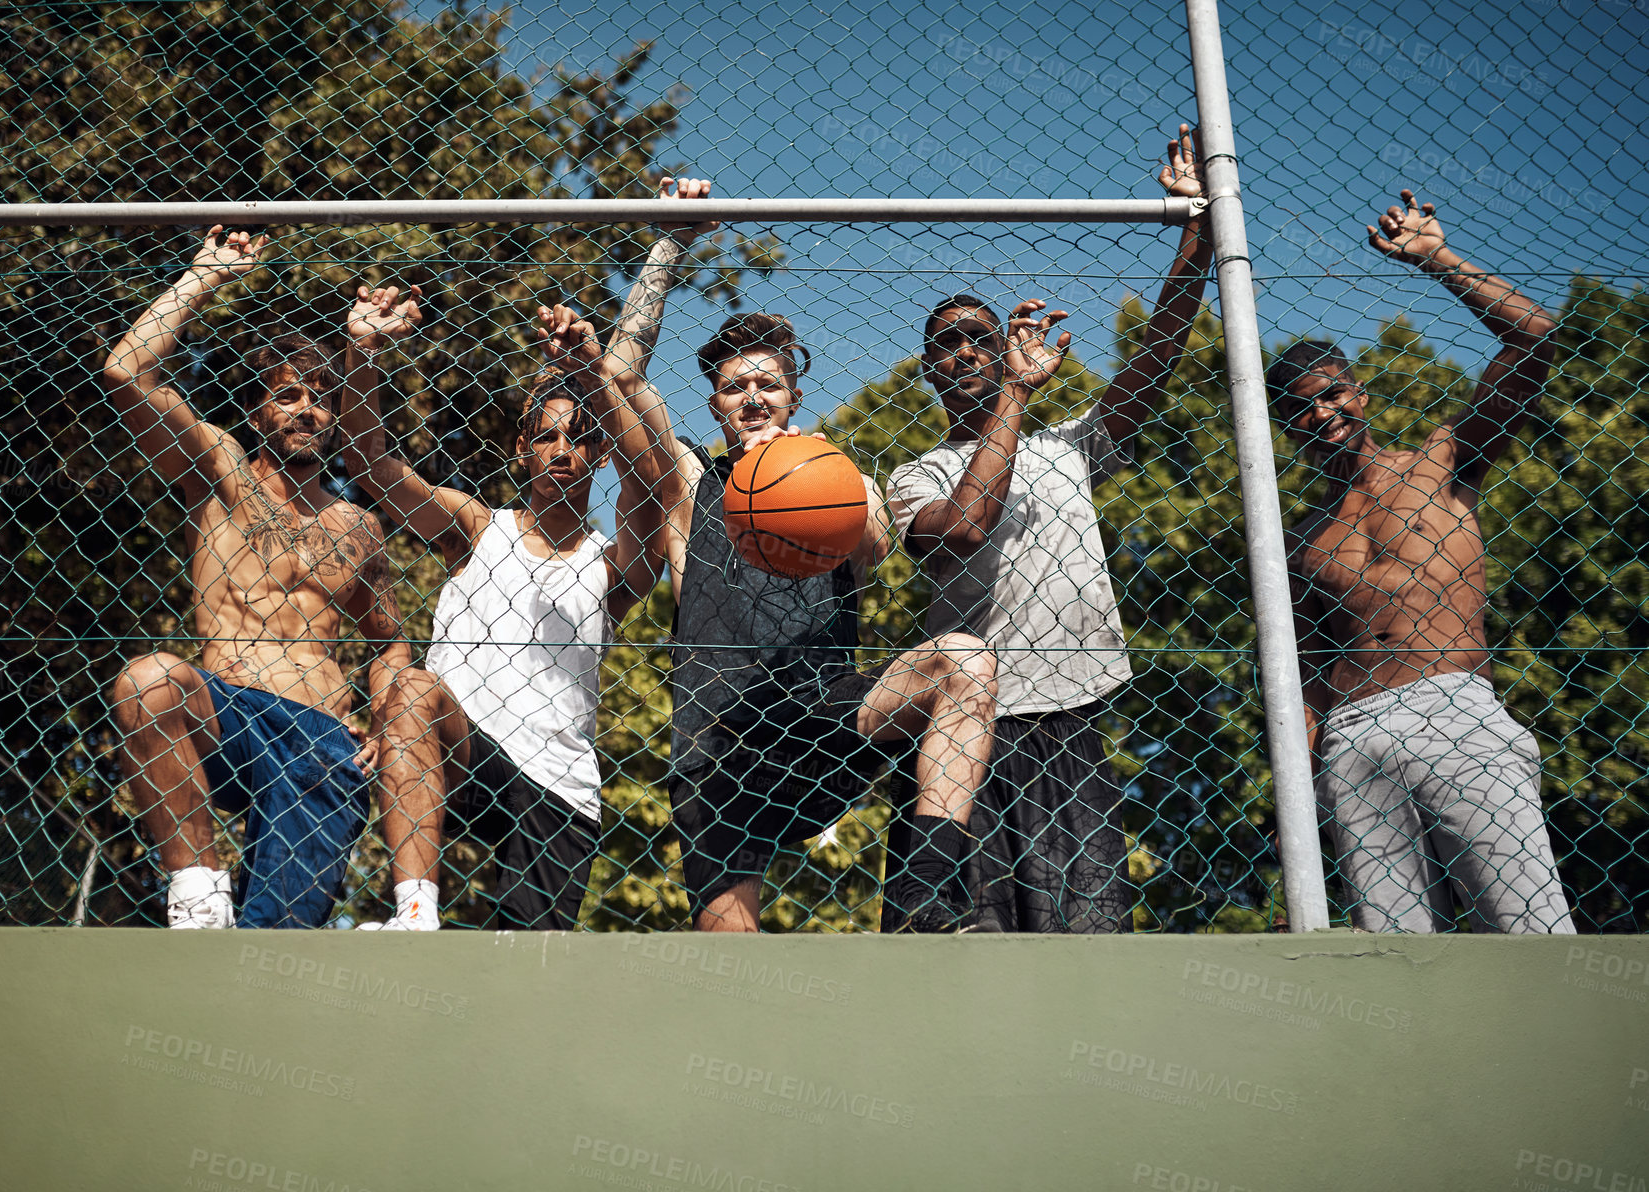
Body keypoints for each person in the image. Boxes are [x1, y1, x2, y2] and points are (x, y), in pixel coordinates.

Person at [337, 178, 710, 930]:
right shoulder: (477, 528)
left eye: (580, 438)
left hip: (555, 781)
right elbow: (372, 463)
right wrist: (363, 353)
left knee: (523, 973)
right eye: (546, 435)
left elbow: (657, 477)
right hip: (459, 748)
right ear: (521, 449)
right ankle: (415, 914)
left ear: (599, 454)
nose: (563, 450)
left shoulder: (612, 565)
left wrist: (593, 370)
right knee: (409, 689)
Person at [882, 124, 1214, 932]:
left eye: (979, 339)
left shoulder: (1070, 449)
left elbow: (1158, 356)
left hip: (1071, 719)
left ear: (1004, 352)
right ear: (929, 370)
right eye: (945, 344)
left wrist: (1196, 228)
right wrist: (1017, 398)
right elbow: (963, 529)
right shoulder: (912, 475)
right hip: (962, 735)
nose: (963, 351)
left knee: (1087, 936)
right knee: (968, 945)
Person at [655, 305, 1026, 933]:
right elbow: (623, 383)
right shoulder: (686, 480)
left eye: (768, 384)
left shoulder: (842, 481)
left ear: (794, 397)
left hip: (817, 718)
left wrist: (805, 479)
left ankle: (923, 904)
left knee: (963, 660)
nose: (752, 398)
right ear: (715, 405)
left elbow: (873, 545)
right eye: (734, 387)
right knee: (728, 967)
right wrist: (667, 250)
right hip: (716, 741)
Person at [1267, 188, 1574, 934]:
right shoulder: (1300, 539)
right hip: (1351, 740)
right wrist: (1297, 801)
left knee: (1530, 931)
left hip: (1452, 709)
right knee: (1398, 964)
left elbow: (1534, 338)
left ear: (1359, 393)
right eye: (1301, 409)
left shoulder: (1441, 461)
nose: (1322, 413)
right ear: (1286, 429)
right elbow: (1305, 674)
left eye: (1332, 393)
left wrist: (1435, 259)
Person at [104, 226, 409, 929]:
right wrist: (203, 277)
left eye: (322, 399)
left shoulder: (357, 527)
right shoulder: (218, 470)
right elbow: (127, 373)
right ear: (258, 410)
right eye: (290, 394)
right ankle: (199, 891)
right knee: (150, 679)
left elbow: (388, 639)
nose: (308, 410)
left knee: (275, 944)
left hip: (324, 739)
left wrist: (387, 715)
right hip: (228, 714)